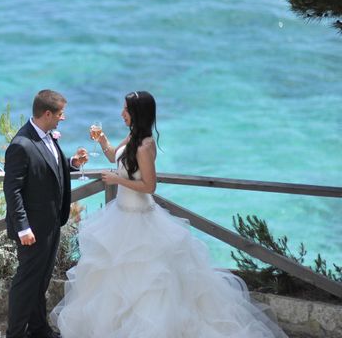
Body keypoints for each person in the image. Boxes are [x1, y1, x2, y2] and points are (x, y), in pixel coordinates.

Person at [51, 91, 288, 338]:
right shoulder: (132, 136)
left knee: (148, 283)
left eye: (126, 110)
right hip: (120, 216)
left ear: (137, 114)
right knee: (115, 280)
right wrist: (102, 141)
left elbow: (149, 186)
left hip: (140, 219)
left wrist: (116, 179)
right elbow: (115, 156)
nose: (122, 114)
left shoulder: (145, 145)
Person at [3, 89, 87, 338]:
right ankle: (15, 333)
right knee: (26, 282)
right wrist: (23, 227)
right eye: (61, 114)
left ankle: (39, 330)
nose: (64, 118)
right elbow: (12, 190)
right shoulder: (21, 145)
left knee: (40, 280)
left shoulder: (48, 136)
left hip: (51, 223)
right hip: (32, 229)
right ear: (47, 113)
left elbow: (49, 168)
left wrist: (72, 164)